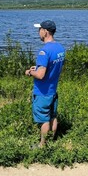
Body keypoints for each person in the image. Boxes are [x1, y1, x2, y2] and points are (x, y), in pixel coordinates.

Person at [25, 20, 65, 148]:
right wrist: (37, 67)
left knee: (43, 120)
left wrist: (30, 72)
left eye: (40, 30)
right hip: (53, 90)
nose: (38, 32)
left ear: (45, 32)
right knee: (53, 116)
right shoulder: (60, 48)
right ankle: (52, 142)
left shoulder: (44, 51)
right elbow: (52, 67)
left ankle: (42, 146)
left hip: (42, 92)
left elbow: (41, 75)